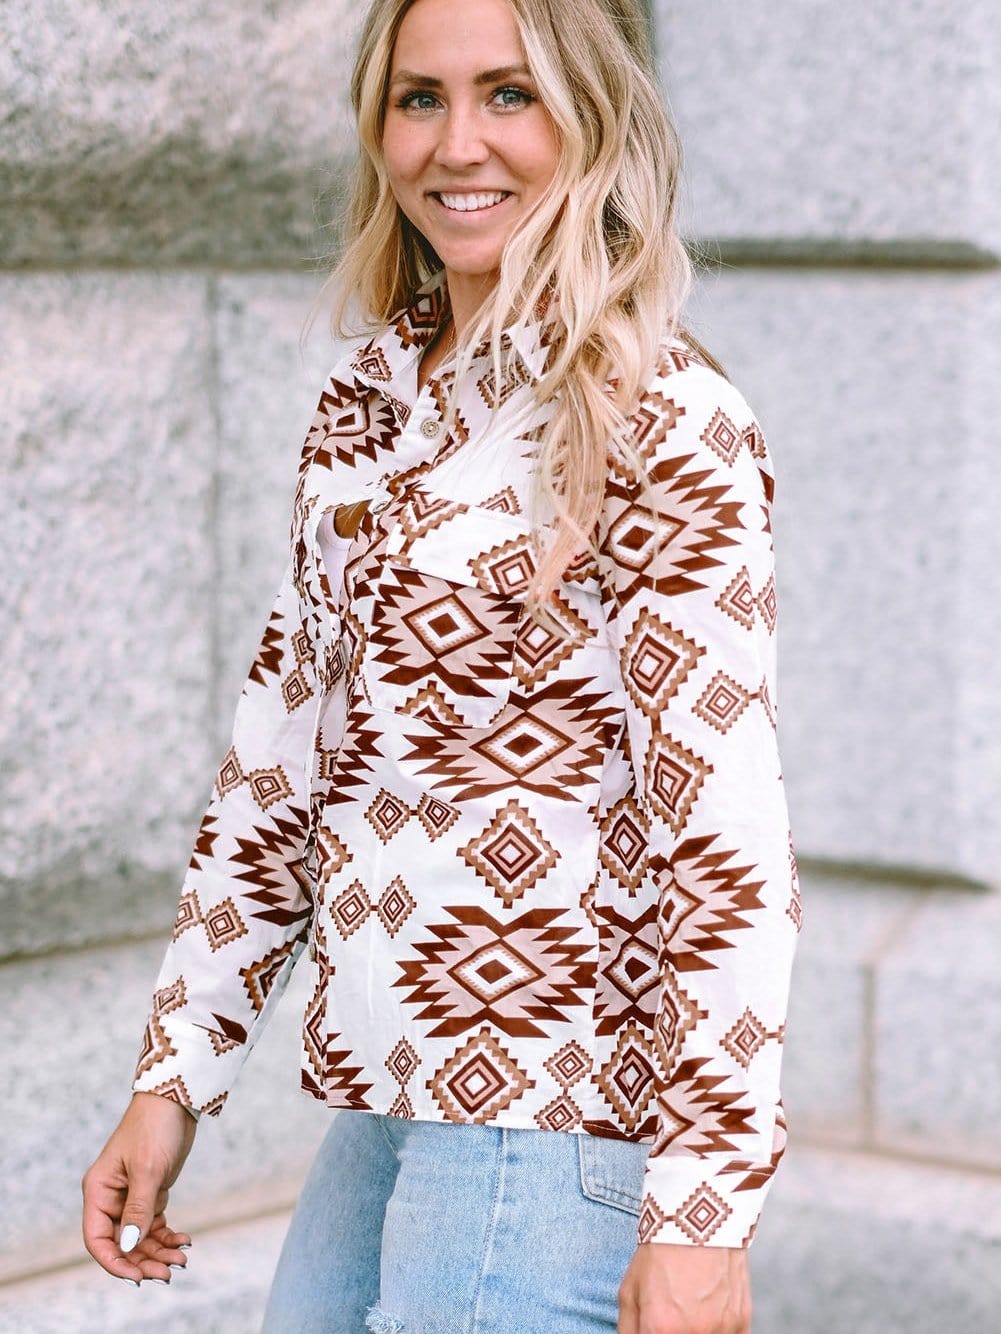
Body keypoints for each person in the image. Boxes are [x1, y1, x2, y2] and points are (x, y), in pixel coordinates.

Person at [82, 0, 801, 1329]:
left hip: (557, 1125)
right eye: (419, 98)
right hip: (387, 1107)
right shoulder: (368, 401)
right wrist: (176, 1071)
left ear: (592, 114)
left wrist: (702, 1208)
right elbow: (278, 765)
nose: (456, 143)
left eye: (509, 95)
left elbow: (724, 844)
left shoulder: (666, 416)